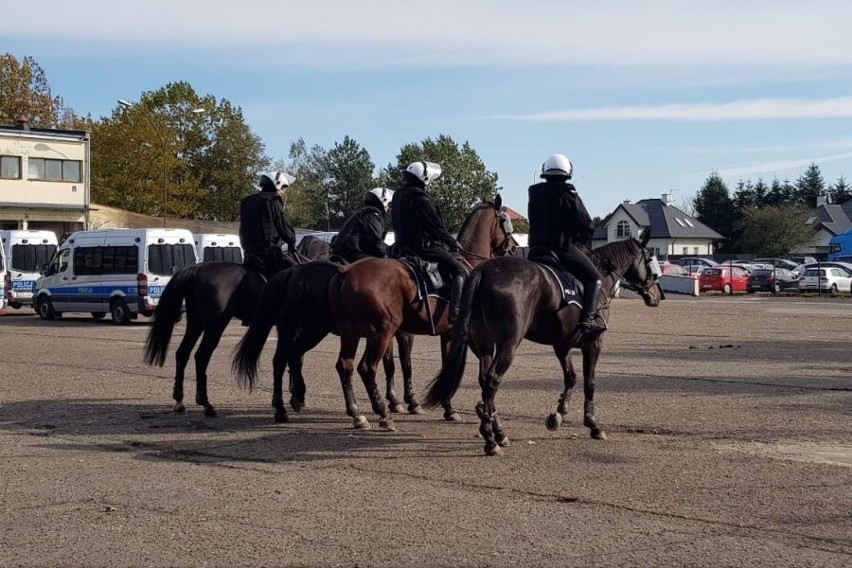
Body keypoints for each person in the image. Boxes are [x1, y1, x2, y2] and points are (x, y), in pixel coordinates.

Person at [527, 154, 606, 333]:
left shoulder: (534, 193)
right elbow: (585, 222)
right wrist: (583, 237)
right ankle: (588, 320)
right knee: (595, 280)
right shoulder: (569, 193)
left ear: (545, 172)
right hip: (561, 250)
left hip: (536, 250)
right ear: (568, 172)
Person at [390, 161, 467, 323]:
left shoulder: (397, 195)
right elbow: (435, 226)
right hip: (424, 249)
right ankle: (456, 313)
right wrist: (452, 242)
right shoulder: (421, 198)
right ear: (424, 178)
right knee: (460, 270)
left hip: (401, 247)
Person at [239, 170, 298, 279]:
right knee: (298, 275)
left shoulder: (246, 202)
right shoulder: (273, 201)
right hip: (270, 256)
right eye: (283, 188)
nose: (283, 191)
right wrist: (292, 242)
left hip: (249, 255)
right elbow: (283, 227)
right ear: (277, 184)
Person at [329, 187, 394, 263]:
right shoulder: (372, 216)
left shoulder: (364, 214)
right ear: (384, 201)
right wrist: (388, 254)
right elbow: (375, 243)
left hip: (345, 252)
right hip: (352, 254)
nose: (388, 208)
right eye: (388, 204)